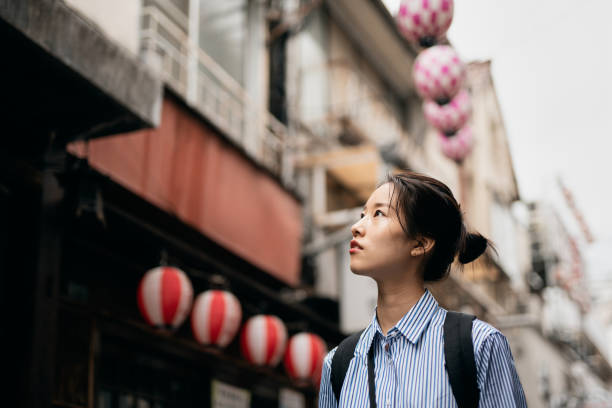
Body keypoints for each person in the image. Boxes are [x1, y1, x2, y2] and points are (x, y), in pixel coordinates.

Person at [318, 171, 527, 407]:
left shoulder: (479, 345)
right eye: (362, 214)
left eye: (379, 214)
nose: (356, 227)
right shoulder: (338, 365)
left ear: (420, 243)